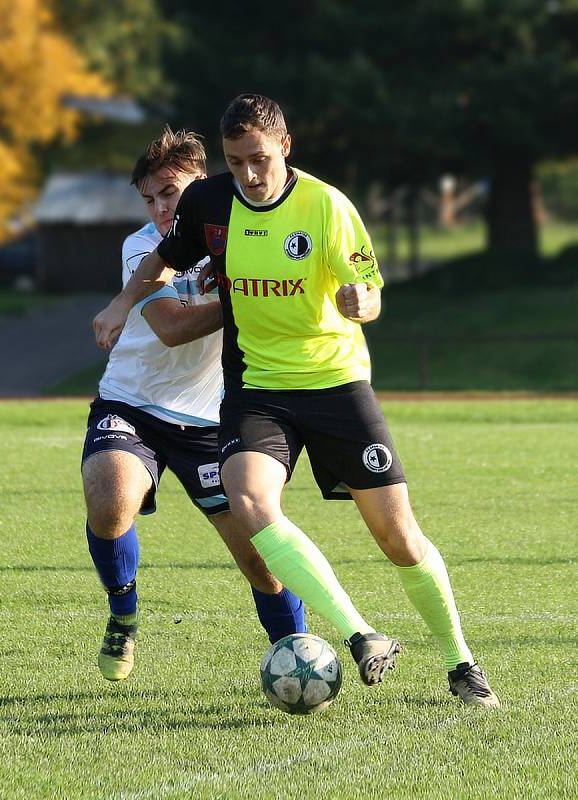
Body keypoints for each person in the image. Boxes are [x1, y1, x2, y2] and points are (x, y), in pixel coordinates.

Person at [93, 96, 499, 707]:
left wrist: (363, 303)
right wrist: (122, 304)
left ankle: (460, 662)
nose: (250, 175)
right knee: (250, 500)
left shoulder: (328, 206)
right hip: (257, 388)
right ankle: (362, 636)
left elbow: (368, 289)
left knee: (397, 536)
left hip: (335, 385)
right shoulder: (210, 203)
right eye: (235, 162)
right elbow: (163, 259)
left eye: (259, 159)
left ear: (285, 147)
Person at [82, 126, 305, 682]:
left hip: (209, 421)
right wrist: (243, 293)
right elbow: (172, 329)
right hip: (130, 405)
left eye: (170, 193)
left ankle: (299, 655)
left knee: (259, 559)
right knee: (110, 502)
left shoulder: (248, 234)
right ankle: (123, 610)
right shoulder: (142, 248)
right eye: (150, 198)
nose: (159, 208)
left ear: (202, 185)